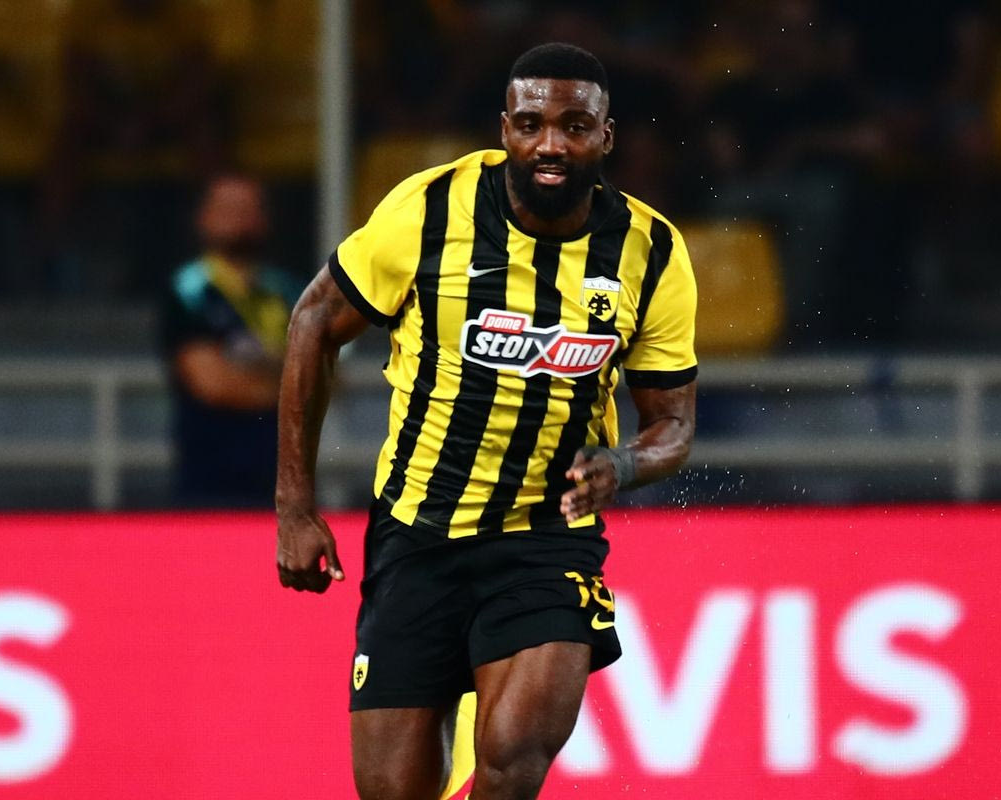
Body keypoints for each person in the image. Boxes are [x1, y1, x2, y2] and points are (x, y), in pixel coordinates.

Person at [275, 43, 696, 799]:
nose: (551, 144)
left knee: (510, 759)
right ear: (505, 129)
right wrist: (294, 507)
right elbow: (313, 320)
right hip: (417, 534)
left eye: (574, 126)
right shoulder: (430, 210)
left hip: (545, 541)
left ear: (606, 136)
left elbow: (673, 426)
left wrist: (624, 463)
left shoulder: (652, 252)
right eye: (531, 124)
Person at [162, 175, 303, 507]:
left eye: (247, 209)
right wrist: (285, 379)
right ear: (203, 217)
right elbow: (211, 382)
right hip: (209, 475)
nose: (238, 219)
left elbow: (328, 377)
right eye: (227, 209)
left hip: (282, 477)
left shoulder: (288, 291)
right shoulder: (188, 290)